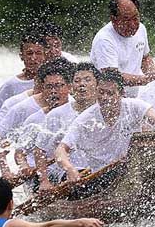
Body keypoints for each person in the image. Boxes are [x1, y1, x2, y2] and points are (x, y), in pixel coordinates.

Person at [56, 70, 155, 191]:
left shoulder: (135, 106)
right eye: (101, 92)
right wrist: (70, 169)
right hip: (102, 177)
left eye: (110, 93)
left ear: (121, 94)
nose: (104, 97)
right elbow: (61, 149)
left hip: (132, 169)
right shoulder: (85, 120)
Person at [34, 63, 103, 191]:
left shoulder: (105, 112)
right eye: (77, 81)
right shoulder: (56, 115)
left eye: (88, 80)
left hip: (99, 170)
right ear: (71, 88)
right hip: (68, 174)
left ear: (98, 85)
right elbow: (39, 150)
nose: (82, 84)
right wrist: (44, 181)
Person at [90, 0, 155, 98]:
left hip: (132, 97)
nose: (132, 24)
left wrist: (153, 74)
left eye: (135, 18)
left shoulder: (141, 29)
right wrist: (146, 79)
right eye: (126, 19)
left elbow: (145, 58)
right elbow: (112, 77)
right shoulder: (104, 39)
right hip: (107, 99)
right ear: (114, 19)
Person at [0, 33, 47, 126]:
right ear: (21, 56)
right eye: (29, 53)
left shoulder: (54, 82)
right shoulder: (11, 84)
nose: (34, 58)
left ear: (45, 56)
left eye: (38, 53)